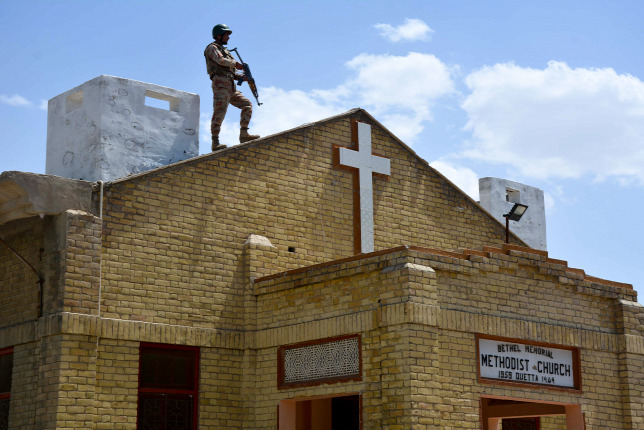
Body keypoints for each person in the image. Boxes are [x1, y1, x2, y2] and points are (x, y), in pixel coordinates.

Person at [204, 24, 260, 151]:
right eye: (226, 34)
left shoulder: (227, 52)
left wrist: (242, 77)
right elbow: (220, 61)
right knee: (220, 111)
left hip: (230, 86)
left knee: (247, 104)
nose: (228, 37)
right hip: (220, 85)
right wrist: (237, 65)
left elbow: (231, 71)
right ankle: (215, 142)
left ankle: (244, 134)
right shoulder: (212, 48)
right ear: (219, 35)